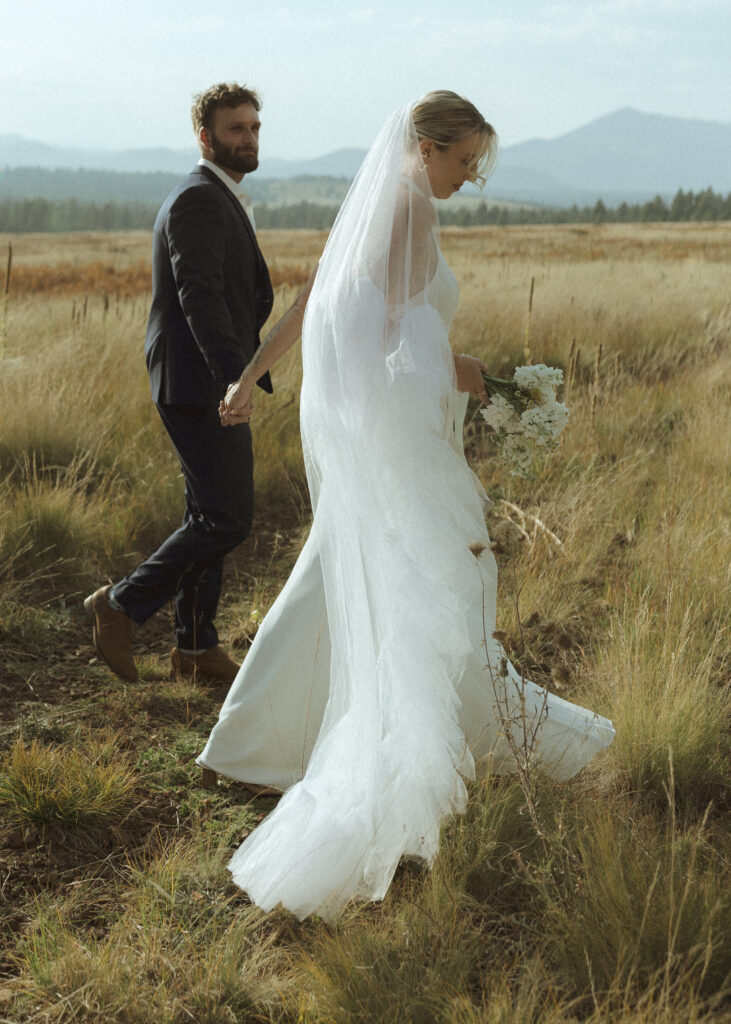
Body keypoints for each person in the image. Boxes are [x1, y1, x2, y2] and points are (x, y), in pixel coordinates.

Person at [197, 91, 615, 921]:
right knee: (431, 596)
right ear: (425, 147)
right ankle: (402, 772)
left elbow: (332, 302)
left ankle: (262, 733)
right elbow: (371, 335)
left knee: (373, 586)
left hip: (383, 444)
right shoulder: (406, 213)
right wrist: (469, 375)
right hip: (398, 450)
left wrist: (250, 376)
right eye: (464, 161)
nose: (471, 177)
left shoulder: (385, 206)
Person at [85, 82, 311, 685]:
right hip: (197, 381)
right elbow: (199, 297)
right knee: (228, 518)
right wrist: (233, 380)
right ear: (205, 136)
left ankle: (192, 646)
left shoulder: (219, 196)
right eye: (236, 129)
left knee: (209, 509)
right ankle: (121, 604)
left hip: (195, 377)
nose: (249, 138)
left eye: (255, 127)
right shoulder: (198, 200)